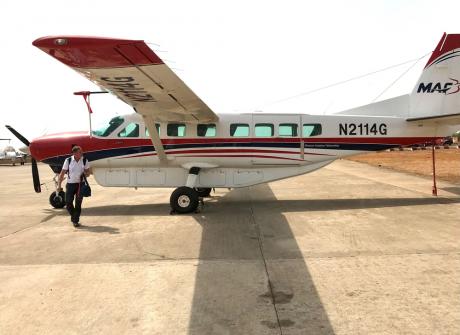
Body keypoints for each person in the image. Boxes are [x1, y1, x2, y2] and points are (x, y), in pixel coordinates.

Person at [57, 146, 91, 227]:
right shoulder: (68, 160)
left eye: (81, 152)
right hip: (70, 184)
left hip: (80, 185)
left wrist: (85, 174)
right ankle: (74, 217)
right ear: (74, 153)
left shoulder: (84, 160)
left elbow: (88, 173)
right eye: (80, 152)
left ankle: (75, 221)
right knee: (68, 202)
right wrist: (59, 185)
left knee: (78, 203)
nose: (81, 153)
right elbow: (62, 173)